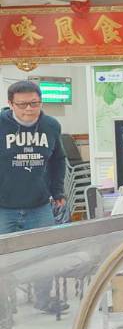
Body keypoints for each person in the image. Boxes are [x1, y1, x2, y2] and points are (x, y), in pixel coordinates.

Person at [0, 80, 66, 234]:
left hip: (39, 205)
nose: (29, 109)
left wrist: (58, 192)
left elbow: (58, 160)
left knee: (43, 252)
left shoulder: (51, 125)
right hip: (3, 207)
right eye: (22, 104)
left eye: (34, 103)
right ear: (10, 104)